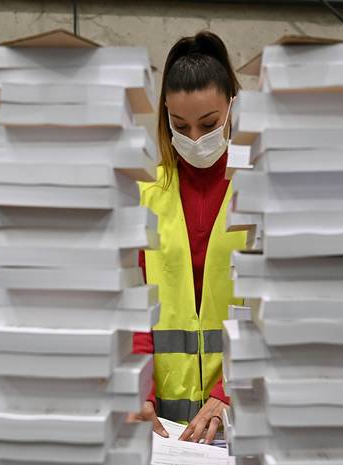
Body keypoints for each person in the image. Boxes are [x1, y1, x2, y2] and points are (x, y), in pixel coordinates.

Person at [128, 30, 246, 445]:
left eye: (209, 124)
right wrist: (138, 393)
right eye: (181, 126)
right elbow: (132, 311)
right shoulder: (145, 194)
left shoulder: (259, 193)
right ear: (165, 117)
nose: (196, 139)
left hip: (241, 417)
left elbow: (279, 311)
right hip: (165, 430)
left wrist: (230, 392)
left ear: (233, 104)